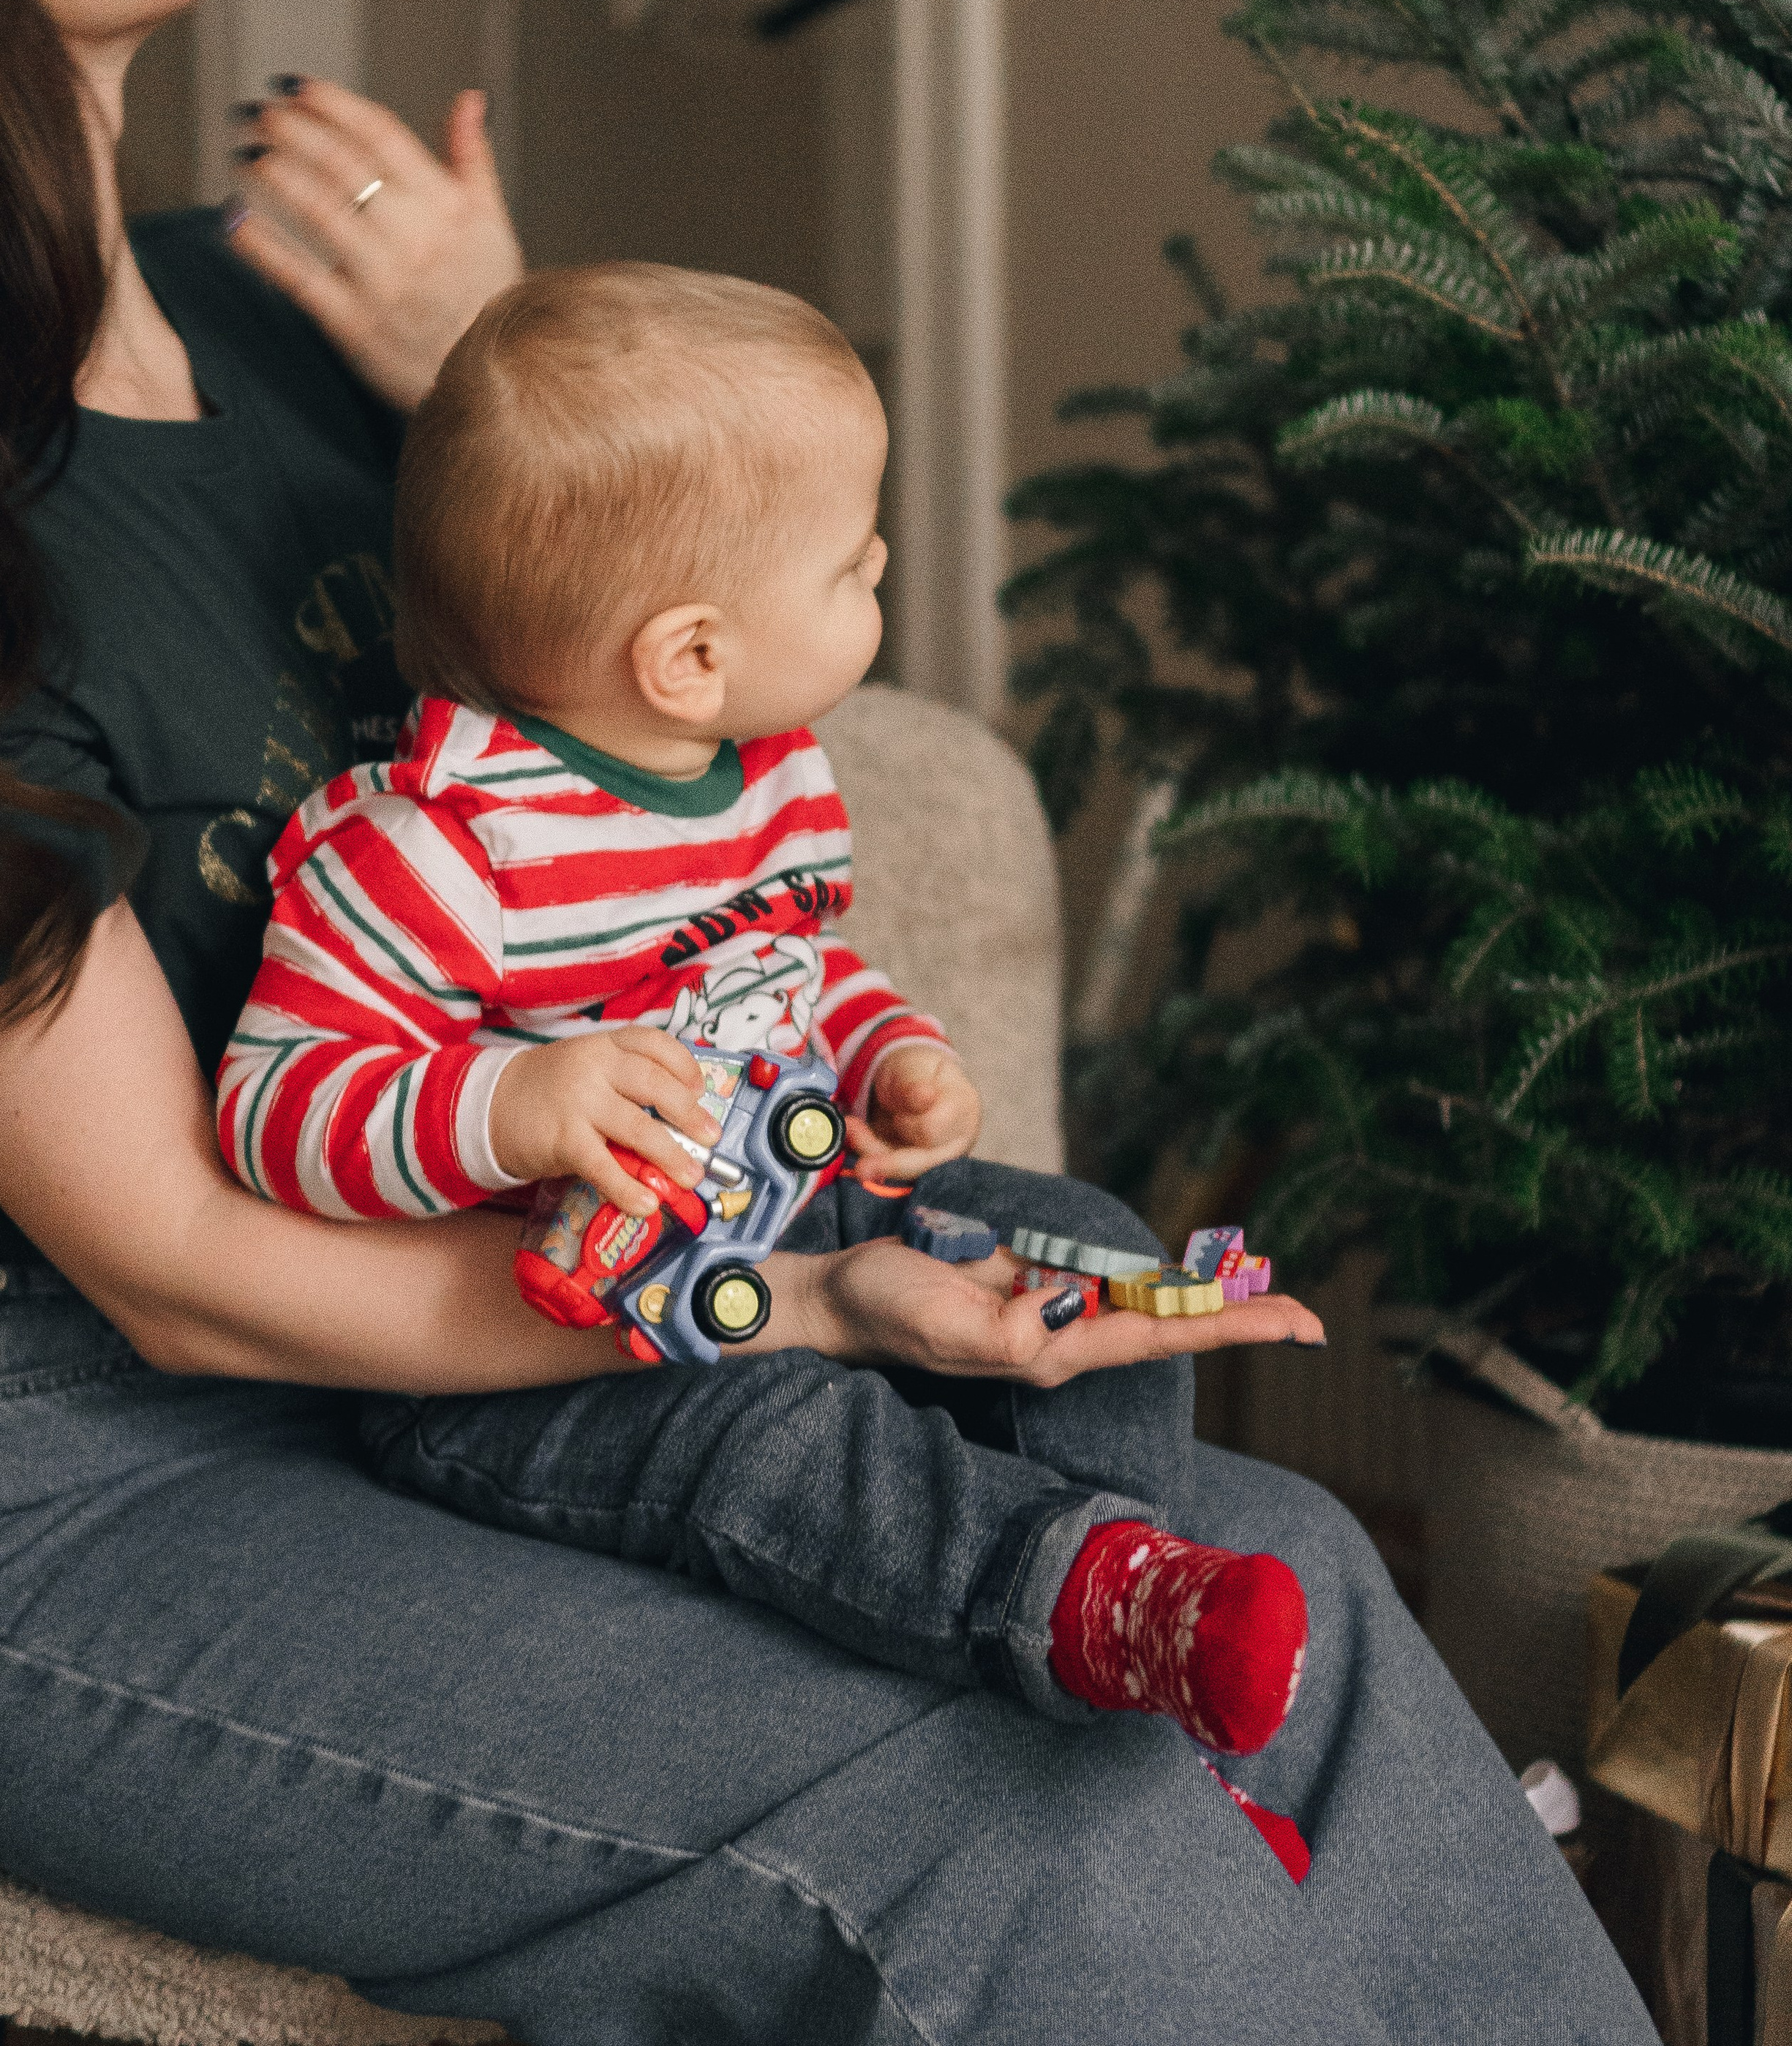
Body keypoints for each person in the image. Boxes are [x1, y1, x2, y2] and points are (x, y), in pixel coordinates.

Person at [0, 0, 1659, 2042]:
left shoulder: (317, 322)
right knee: (1012, 1812)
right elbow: (183, 1274)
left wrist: (488, 366)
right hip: (70, 1464)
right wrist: (795, 1299)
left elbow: (693, 724)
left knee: (1281, 1566)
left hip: (552, 1330)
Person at [214, 263, 1314, 1835]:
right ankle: (1043, 1591)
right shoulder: (434, 852)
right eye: (852, 570)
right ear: (688, 657)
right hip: (519, 1358)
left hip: (779, 1210)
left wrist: (883, 1055)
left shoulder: (767, 776)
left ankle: (1129, 1596)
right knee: (781, 1436)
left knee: (1078, 1240)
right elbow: (272, 1110)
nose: (881, 578)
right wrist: (508, 1104)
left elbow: (790, 975)